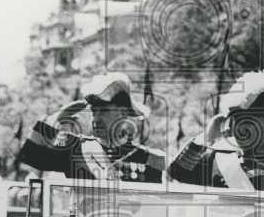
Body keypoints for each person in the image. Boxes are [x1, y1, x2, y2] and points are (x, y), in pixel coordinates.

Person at [169, 71, 264, 193]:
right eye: (236, 120)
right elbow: (176, 173)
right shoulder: (215, 160)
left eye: (248, 121)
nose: (240, 128)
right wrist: (206, 138)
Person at [18, 72, 165, 183]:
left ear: (123, 112)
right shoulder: (75, 149)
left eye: (104, 111)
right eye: (94, 111)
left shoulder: (149, 159)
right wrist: (61, 114)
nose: (96, 118)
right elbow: (31, 154)